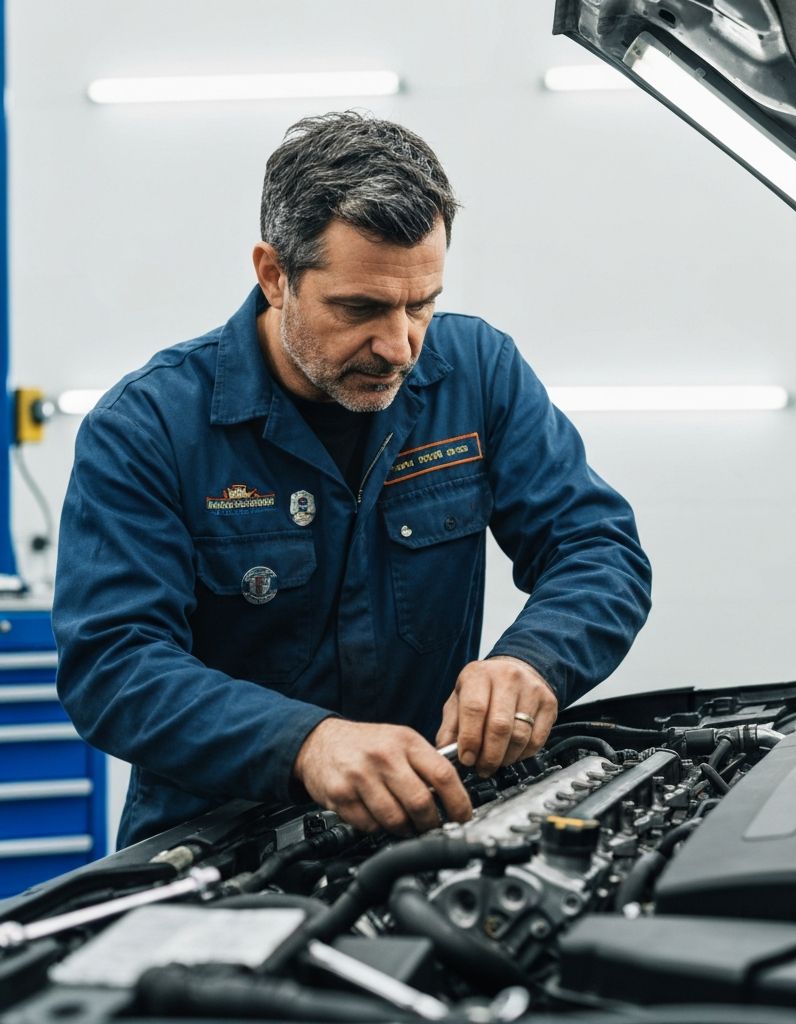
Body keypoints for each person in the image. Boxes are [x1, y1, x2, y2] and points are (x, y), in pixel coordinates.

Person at [52, 112, 652, 848]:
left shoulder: (479, 374)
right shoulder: (148, 427)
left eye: (421, 304)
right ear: (275, 275)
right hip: (217, 845)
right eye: (360, 308)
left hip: (434, 817)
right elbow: (115, 664)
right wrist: (305, 743)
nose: (399, 346)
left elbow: (596, 548)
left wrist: (533, 661)